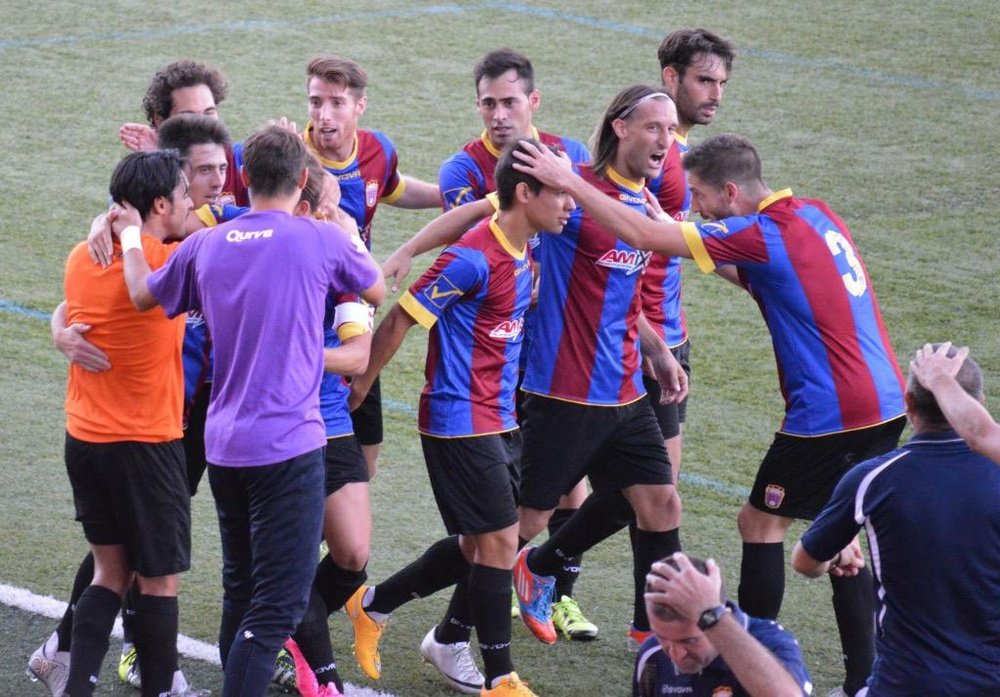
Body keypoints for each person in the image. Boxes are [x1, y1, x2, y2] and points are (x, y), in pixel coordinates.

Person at [513, 132, 906, 695]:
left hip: (831, 410)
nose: (695, 206)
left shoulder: (765, 232)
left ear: (729, 191)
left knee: (760, 524)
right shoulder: (814, 215)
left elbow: (645, 236)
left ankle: (749, 662)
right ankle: (862, 679)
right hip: (884, 403)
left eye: (699, 196)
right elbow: (750, 273)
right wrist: (676, 234)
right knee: (843, 537)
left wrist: (572, 181)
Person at [115, 125, 385, 697]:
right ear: (303, 182)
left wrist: (132, 236)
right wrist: (336, 219)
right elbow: (377, 288)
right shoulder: (318, 239)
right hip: (288, 447)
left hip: (224, 445)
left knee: (241, 588)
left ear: (247, 179)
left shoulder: (207, 244)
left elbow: (144, 296)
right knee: (277, 607)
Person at [342, 140, 571, 696]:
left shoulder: (526, 243)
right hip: (457, 418)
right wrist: (362, 385)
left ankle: (373, 605)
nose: (571, 204)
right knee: (499, 543)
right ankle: (501, 677)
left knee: (479, 547)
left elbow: (483, 207)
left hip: (500, 417)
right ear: (524, 193)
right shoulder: (472, 258)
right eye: (560, 194)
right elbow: (398, 321)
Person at [431, 47, 599, 649]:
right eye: (488, 103)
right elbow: (473, 233)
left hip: (561, 348)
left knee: (569, 488)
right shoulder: (462, 169)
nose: (499, 114)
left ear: (533, 101)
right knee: (515, 515)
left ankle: (553, 594)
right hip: (497, 362)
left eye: (509, 101)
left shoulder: (572, 155)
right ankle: (455, 626)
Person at [34, 151, 194, 697]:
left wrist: (59, 326)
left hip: (84, 439)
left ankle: (75, 686)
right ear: (158, 205)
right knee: (159, 583)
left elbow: (77, 308)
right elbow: (144, 290)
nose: (192, 202)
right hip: (145, 446)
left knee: (109, 573)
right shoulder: (169, 264)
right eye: (184, 193)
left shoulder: (83, 255)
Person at [792, 344, 1000, 695]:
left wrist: (836, 554)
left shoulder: (873, 479)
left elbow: (805, 562)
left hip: (908, 683)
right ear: (980, 401)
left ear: (909, 404)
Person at [292, 54, 441, 478]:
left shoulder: (378, 150)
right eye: (315, 102)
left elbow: (392, 189)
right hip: (308, 319)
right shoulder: (290, 159)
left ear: (360, 106)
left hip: (357, 318)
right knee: (315, 454)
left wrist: (449, 196)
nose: (324, 115)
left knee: (366, 460)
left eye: (336, 103)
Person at [643, 28, 735, 489]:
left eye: (721, 84)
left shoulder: (684, 158)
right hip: (641, 340)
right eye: (704, 81)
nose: (715, 95)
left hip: (671, 335)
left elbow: (690, 245)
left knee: (655, 496)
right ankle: (539, 562)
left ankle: (541, 561)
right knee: (657, 495)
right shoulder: (654, 156)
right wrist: (647, 341)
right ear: (671, 77)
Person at [635, 553, 811, 697]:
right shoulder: (652, 655)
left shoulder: (771, 643)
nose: (676, 655)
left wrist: (711, 615)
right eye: (661, 637)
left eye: (689, 641)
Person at [119, 60, 249, 207]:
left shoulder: (243, 159)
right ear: (160, 121)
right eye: (189, 116)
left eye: (209, 113)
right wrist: (165, 163)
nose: (202, 124)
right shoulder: (142, 178)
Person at [910, 341, 1000, 462]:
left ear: (909, 402)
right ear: (981, 401)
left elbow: (981, 436)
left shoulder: (878, 472)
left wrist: (938, 376)